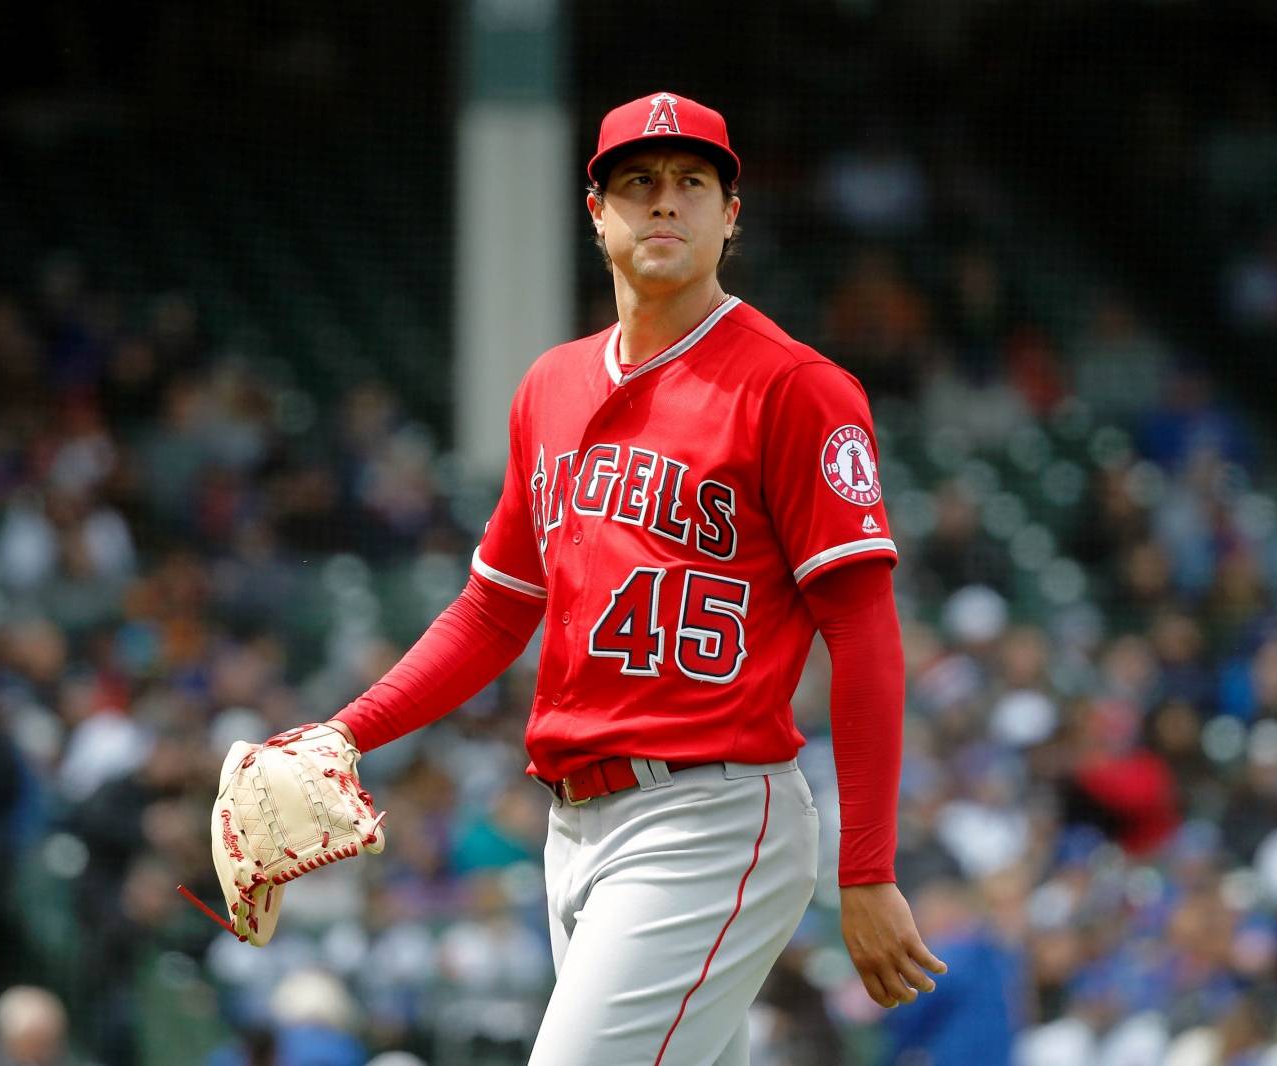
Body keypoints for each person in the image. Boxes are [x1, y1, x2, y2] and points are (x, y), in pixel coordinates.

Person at [324, 91, 944, 1064]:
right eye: (637, 183)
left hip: (708, 815)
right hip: (571, 830)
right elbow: (494, 608)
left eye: (692, 183)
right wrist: (342, 733)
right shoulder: (549, 386)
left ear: (730, 214)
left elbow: (863, 628)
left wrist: (865, 867)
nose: (665, 204)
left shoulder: (794, 387)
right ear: (595, 214)